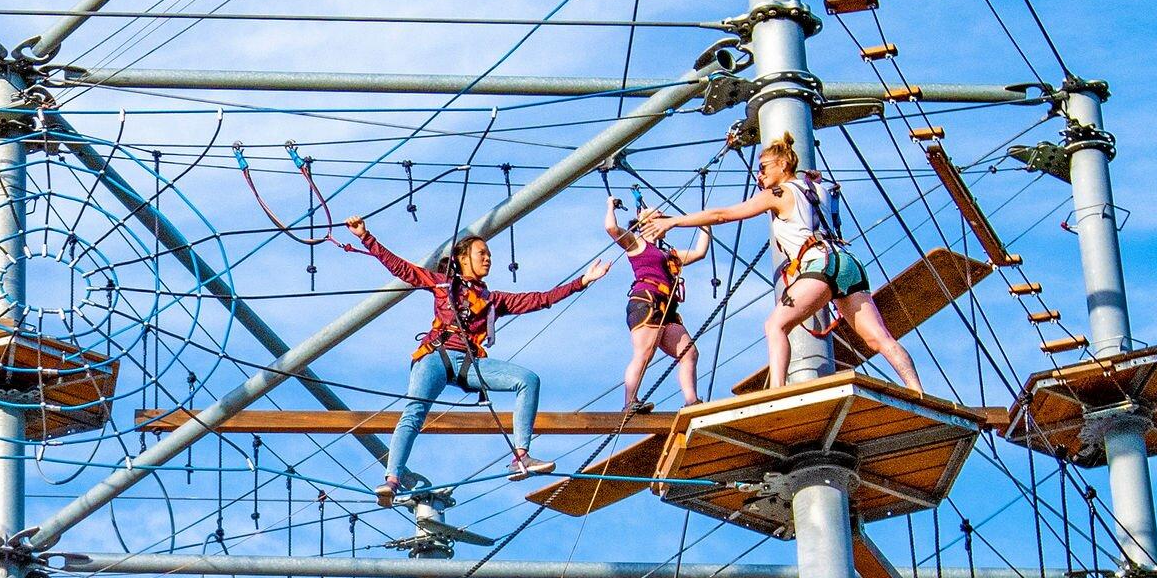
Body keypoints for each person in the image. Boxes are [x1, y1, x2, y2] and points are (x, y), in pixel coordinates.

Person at [338, 217, 600, 501]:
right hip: (435, 357)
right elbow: (403, 269)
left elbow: (540, 299)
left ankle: (521, 456)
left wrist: (581, 282)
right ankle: (392, 480)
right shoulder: (443, 284)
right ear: (462, 259)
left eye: (489, 255)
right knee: (414, 412)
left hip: (469, 363)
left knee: (528, 380)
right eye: (481, 254)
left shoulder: (492, 299)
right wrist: (366, 237)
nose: (487, 259)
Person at [660, 138, 923, 392]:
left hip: (818, 264)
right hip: (847, 263)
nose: (759, 176)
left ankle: (777, 391)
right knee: (879, 337)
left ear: (783, 165)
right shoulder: (817, 187)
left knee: (775, 326)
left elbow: (722, 215)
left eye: (763, 168)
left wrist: (673, 221)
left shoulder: (777, 193)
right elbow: (814, 182)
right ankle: (915, 388)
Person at [582, 196, 710, 414]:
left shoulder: (669, 254)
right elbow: (611, 228)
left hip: (666, 309)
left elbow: (699, 253)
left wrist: (706, 223)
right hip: (647, 302)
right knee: (644, 353)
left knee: (689, 353)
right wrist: (610, 206)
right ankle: (630, 401)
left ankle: (691, 401)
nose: (663, 220)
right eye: (658, 216)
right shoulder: (637, 243)